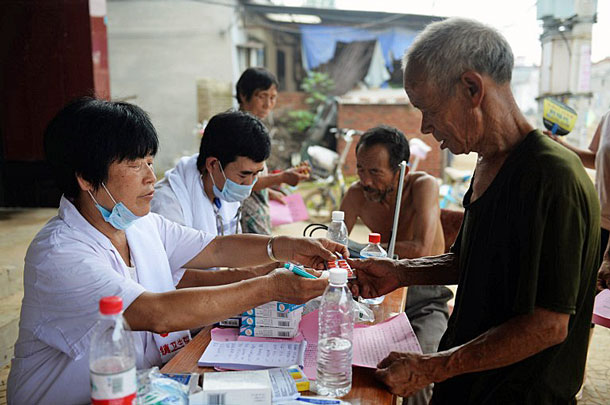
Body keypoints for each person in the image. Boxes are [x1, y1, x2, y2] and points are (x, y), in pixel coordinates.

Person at [7, 98, 341, 404]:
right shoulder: (58, 254)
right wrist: (269, 287)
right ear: (86, 177)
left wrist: (283, 247)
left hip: (147, 387)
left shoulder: (140, 224)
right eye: (135, 165)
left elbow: (216, 249)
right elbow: (156, 313)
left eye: (150, 162)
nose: (151, 177)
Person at [349, 18, 600, 404]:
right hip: (469, 385)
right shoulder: (487, 163)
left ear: (471, 88)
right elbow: (467, 260)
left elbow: (548, 326)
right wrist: (399, 273)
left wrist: (433, 367)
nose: (425, 127)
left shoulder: (553, 177)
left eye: (428, 109)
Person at [340, 125, 452, 405]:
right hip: (373, 303)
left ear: (401, 172)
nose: (365, 181)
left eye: (375, 172)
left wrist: (361, 252)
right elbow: (333, 244)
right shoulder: (357, 194)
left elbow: (422, 250)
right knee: (350, 370)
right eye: (360, 170)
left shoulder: (423, 186)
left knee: (418, 374)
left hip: (423, 302)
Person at [236, 67, 309, 234]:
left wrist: (267, 191)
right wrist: (283, 177)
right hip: (243, 214)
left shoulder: (254, 126)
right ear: (243, 94)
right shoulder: (239, 130)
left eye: (273, 98)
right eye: (262, 96)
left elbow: (252, 181)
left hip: (257, 211)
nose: (268, 104)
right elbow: (241, 181)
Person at [545, 116, 610, 291]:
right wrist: (558, 144)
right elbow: (597, 159)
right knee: (593, 296)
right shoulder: (607, 118)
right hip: (599, 224)